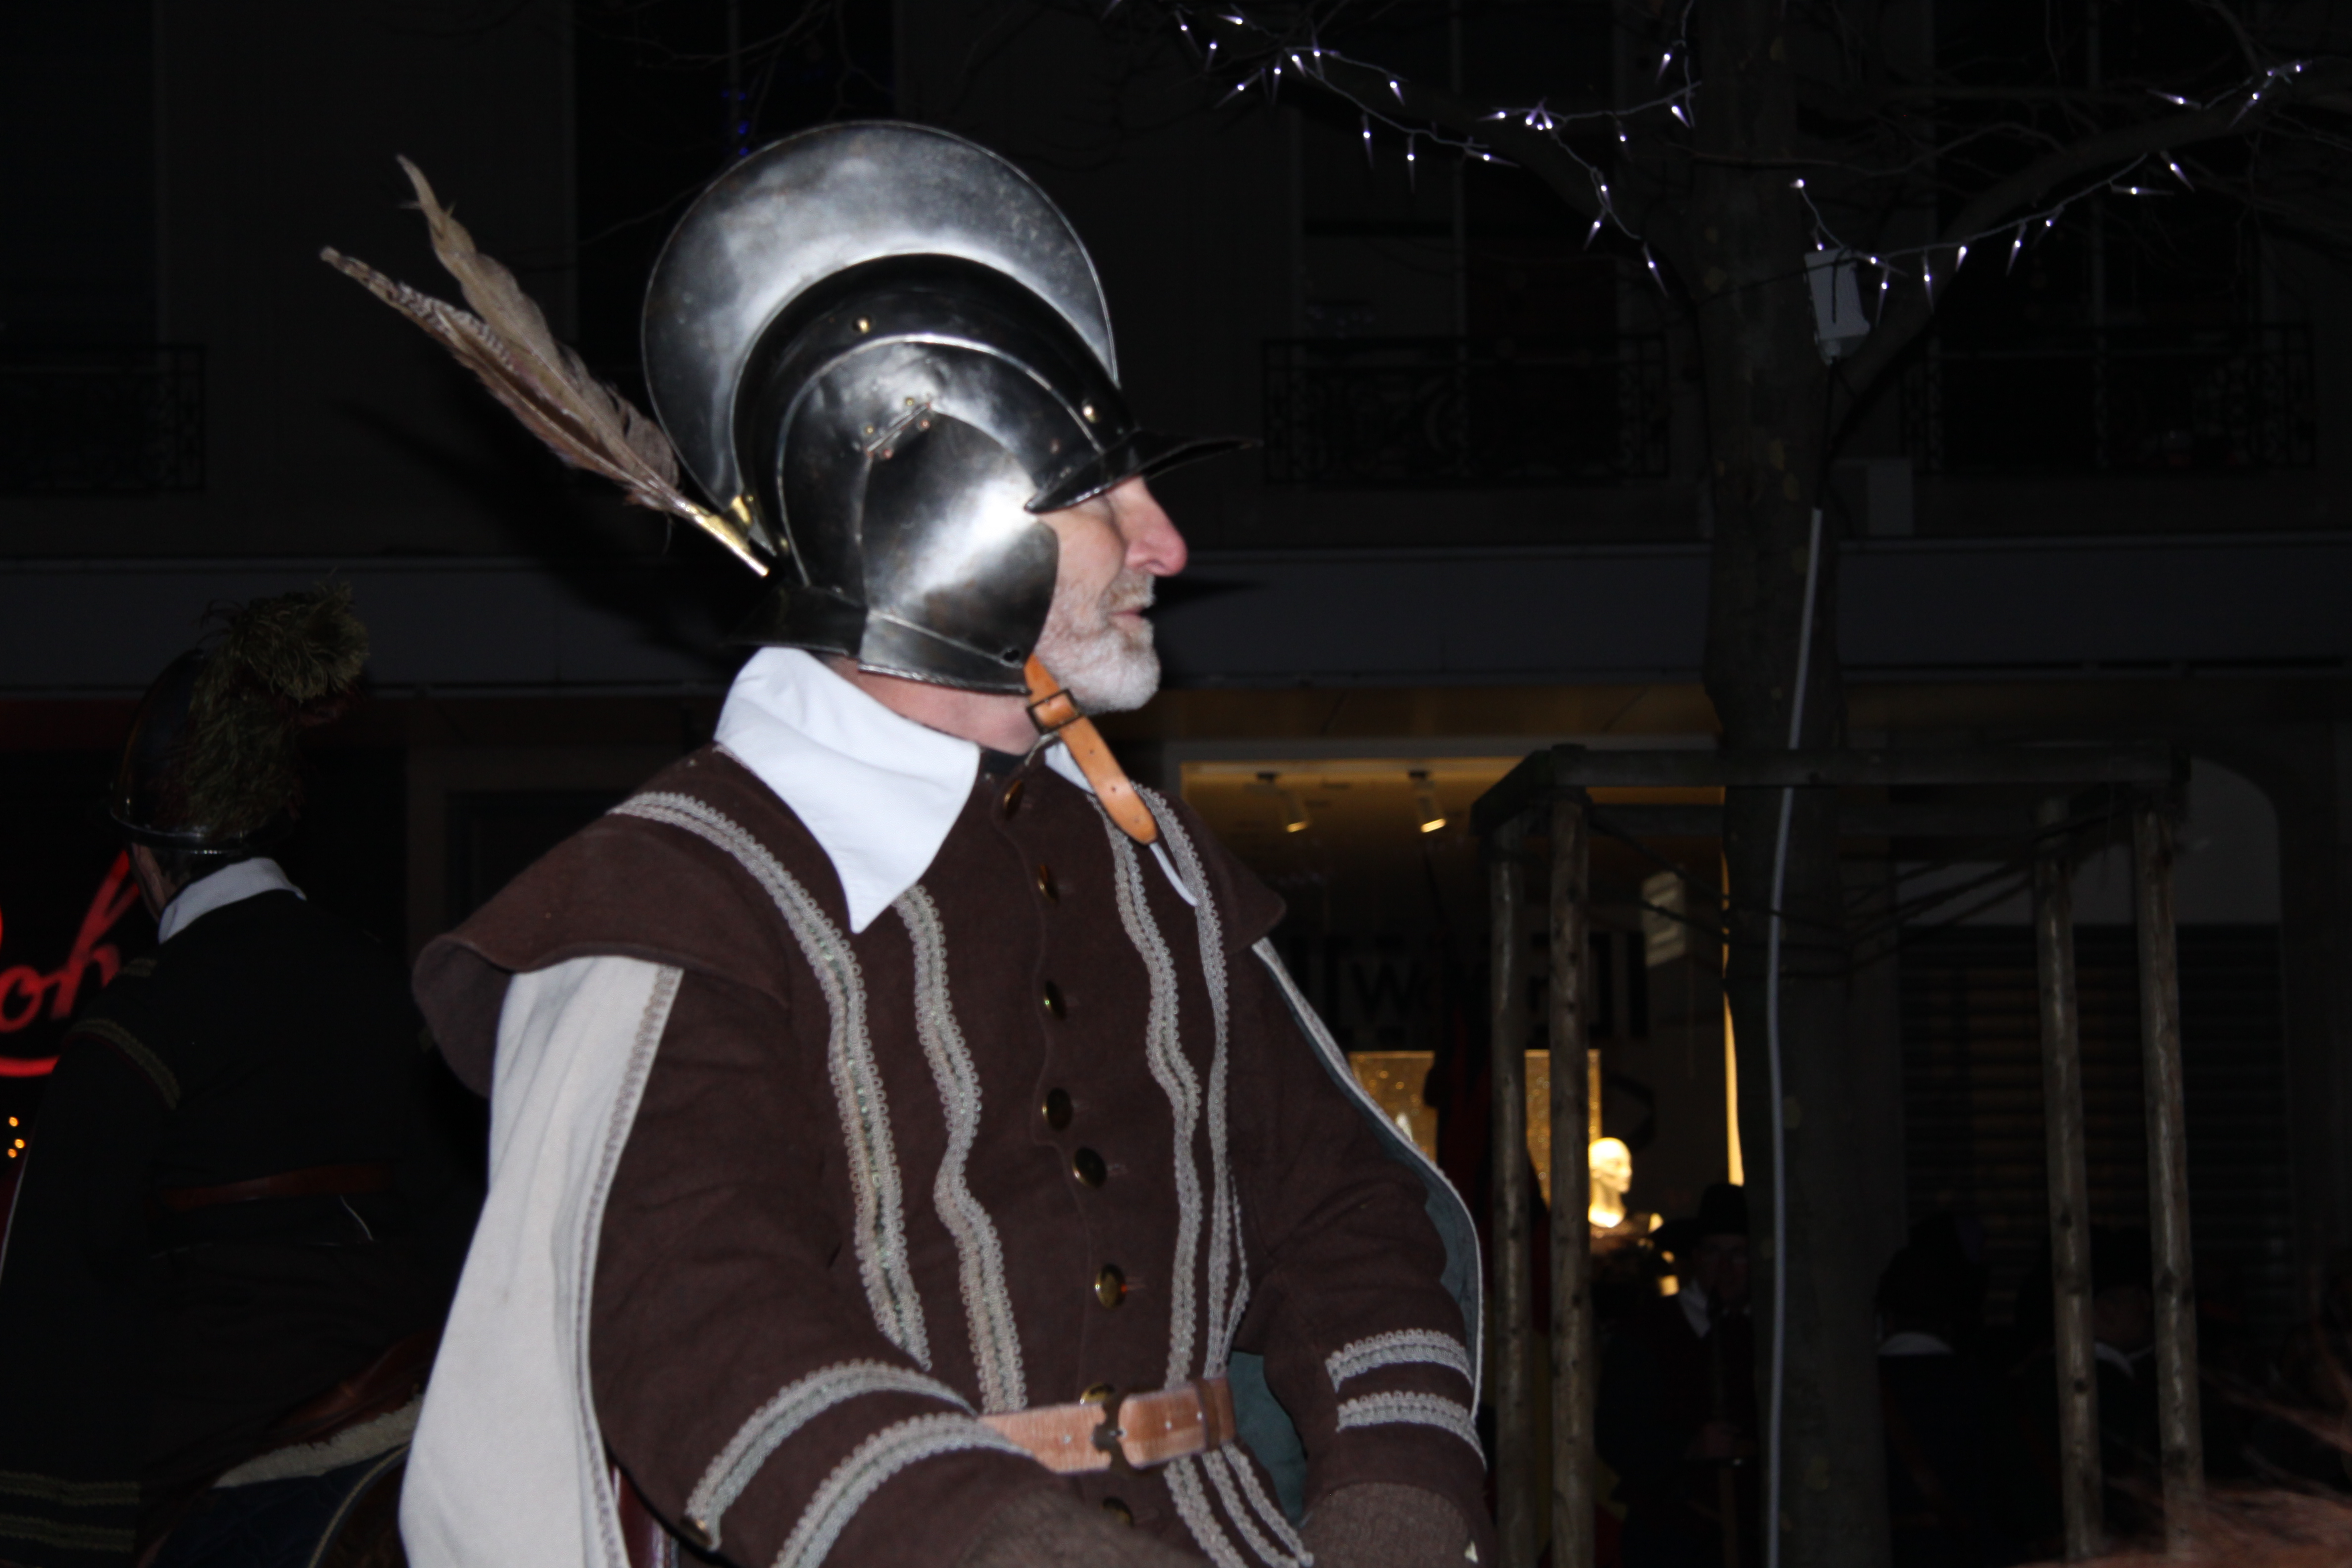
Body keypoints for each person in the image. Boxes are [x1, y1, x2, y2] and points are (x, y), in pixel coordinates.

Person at [339, 124, 1493, 1568]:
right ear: (924, 527)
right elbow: (703, 1327)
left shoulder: (1165, 872)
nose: (1165, 546)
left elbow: (1346, 1217)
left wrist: (1393, 1513)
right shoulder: (682, 893)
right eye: (1100, 495)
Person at [0, 588, 474, 1568]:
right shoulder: (387, 984)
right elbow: (456, 1212)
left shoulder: (136, 1021)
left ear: (146, 856)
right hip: (406, 1372)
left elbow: (61, 1300)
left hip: (216, 1410)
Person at [1597, 1182, 1757, 1568]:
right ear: (1696, 1257)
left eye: (1738, 1254)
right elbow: (1615, 1436)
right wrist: (1689, 1447)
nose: (1725, 1268)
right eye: (1714, 1252)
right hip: (1671, 1540)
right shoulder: (1648, 1329)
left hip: (1758, 1537)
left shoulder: (1772, 1333)